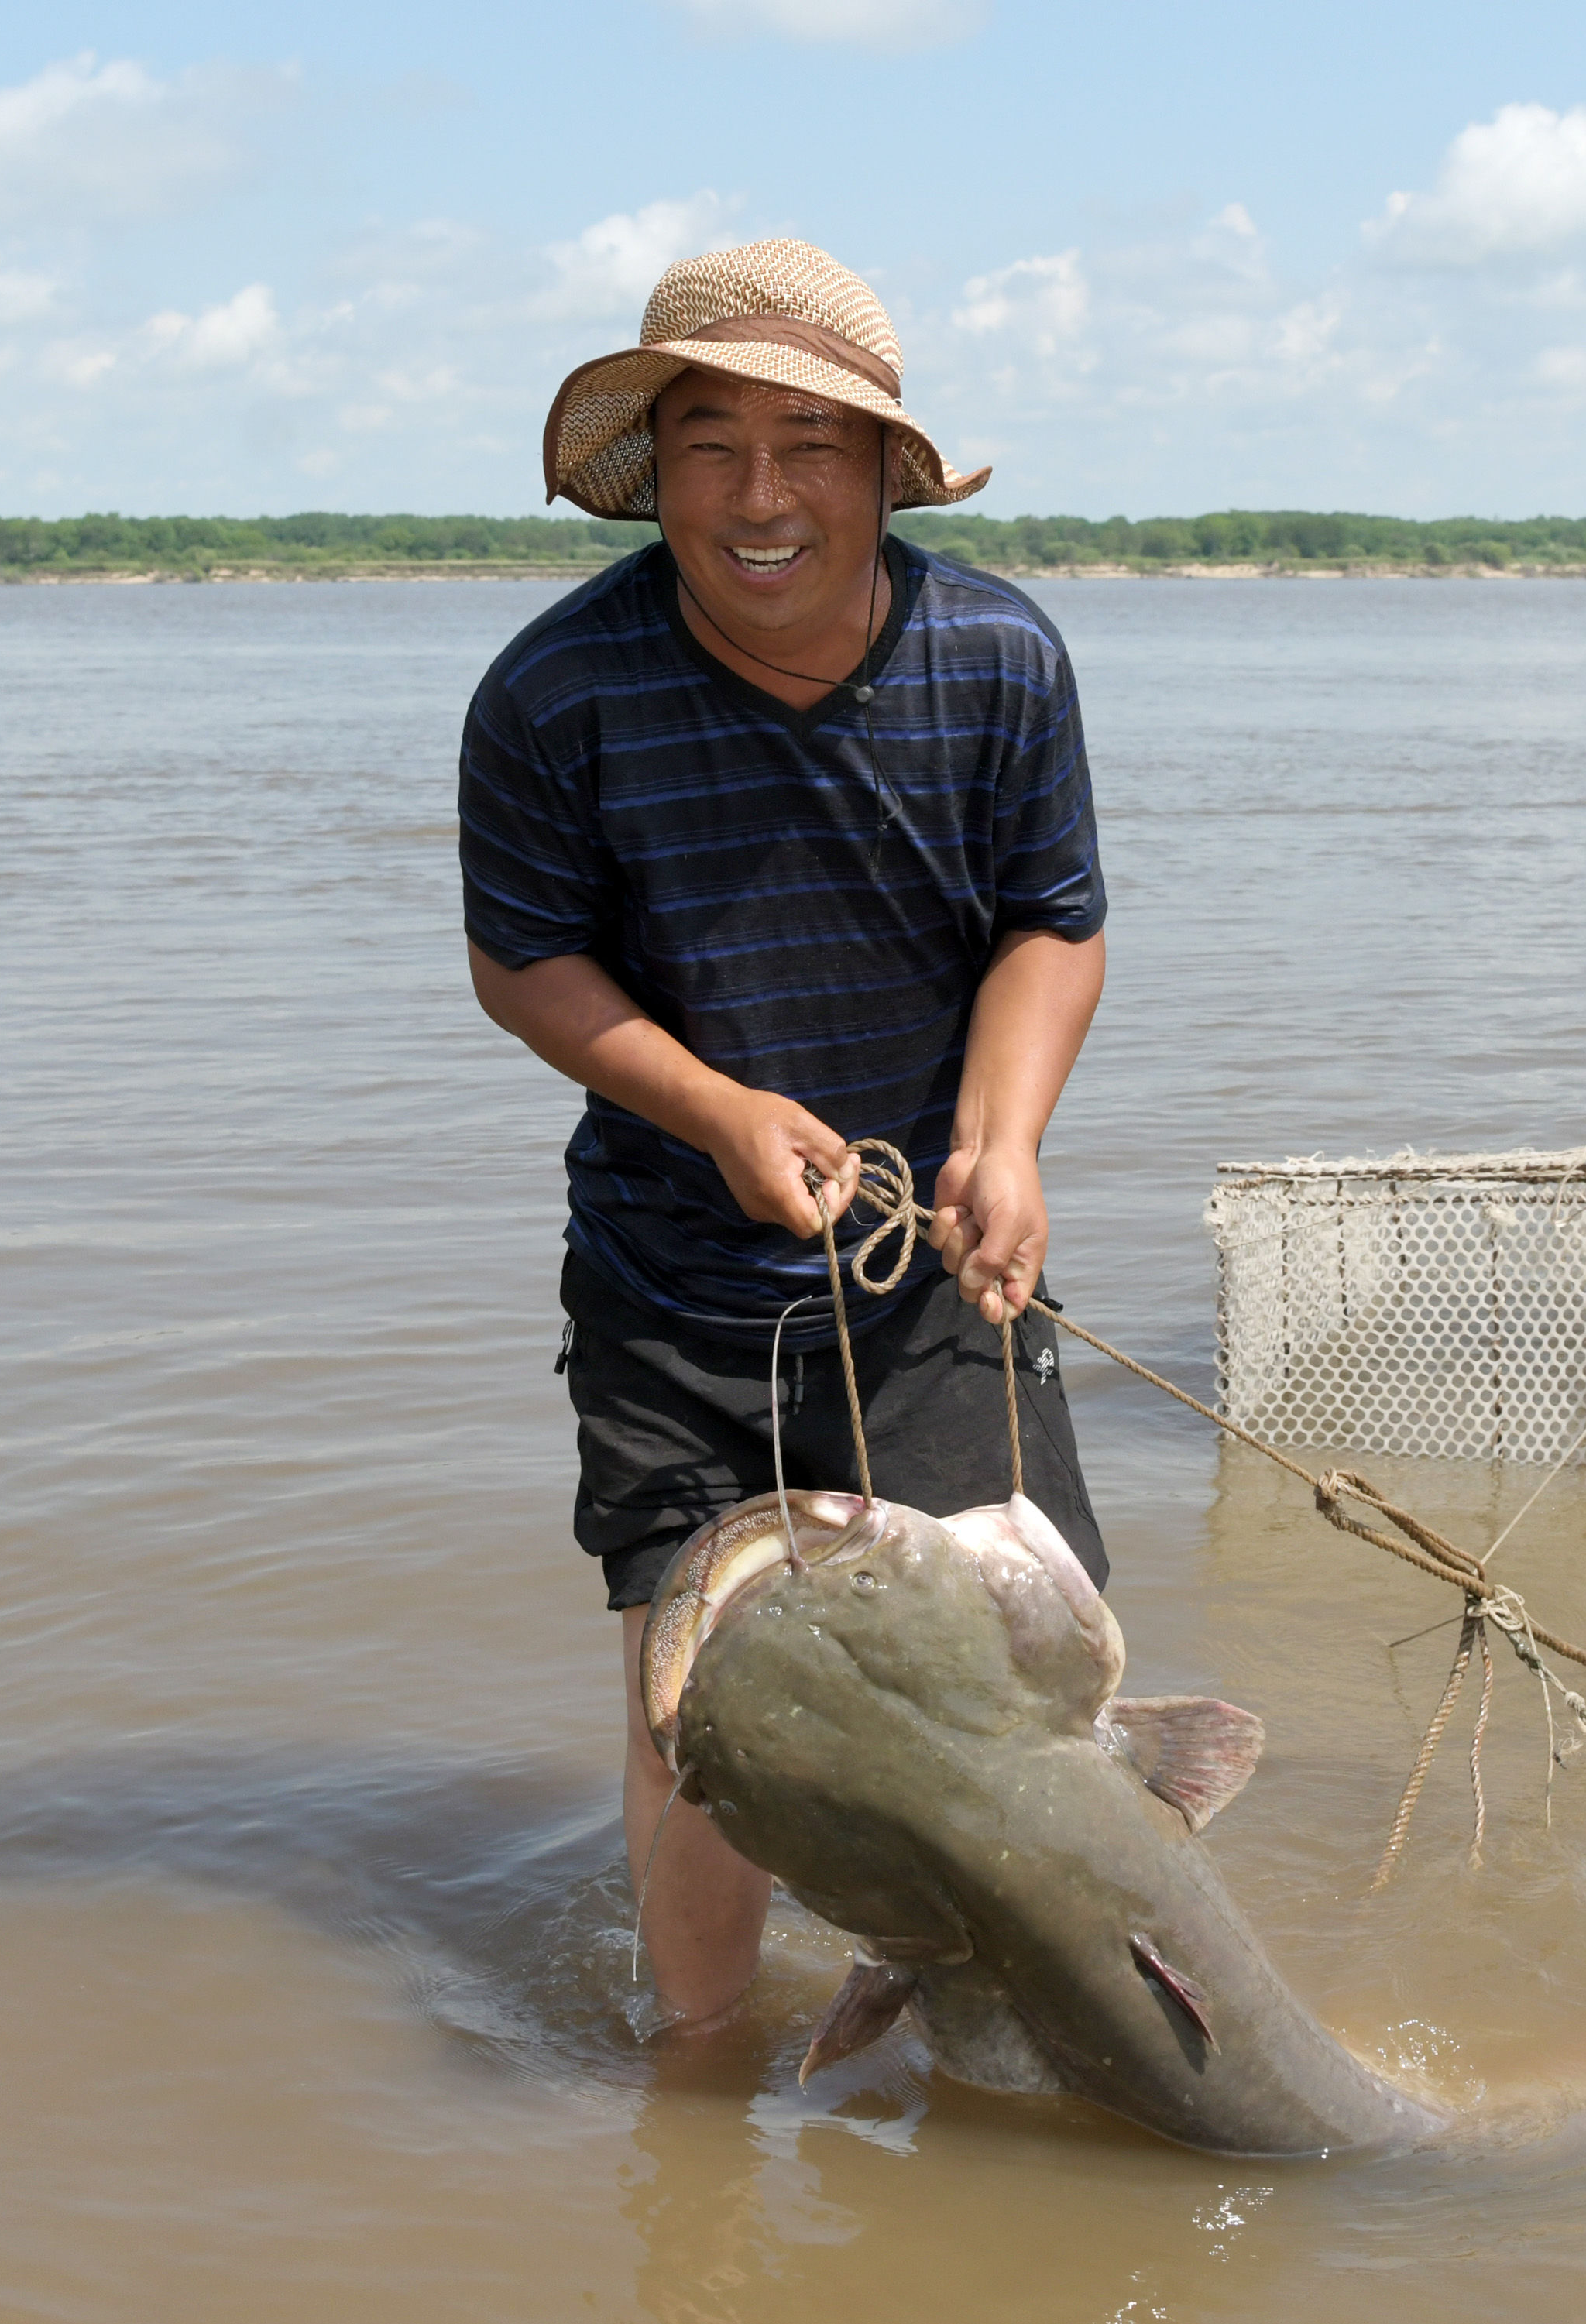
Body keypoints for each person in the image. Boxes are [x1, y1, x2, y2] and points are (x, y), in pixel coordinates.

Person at [459, 239, 1111, 2023]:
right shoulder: (552, 696)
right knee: (707, 1720)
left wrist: (1005, 1137)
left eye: (809, 446)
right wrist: (716, 1108)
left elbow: (1050, 920)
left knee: (1019, 1702)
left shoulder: (995, 658)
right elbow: (524, 964)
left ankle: (1021, 2061)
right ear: (648, 470)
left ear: (885, 469)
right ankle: (700, 2093)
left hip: (932, 1280)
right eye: (709, 445)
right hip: (669, 1284)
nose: (759, 497)